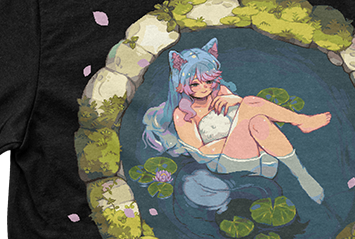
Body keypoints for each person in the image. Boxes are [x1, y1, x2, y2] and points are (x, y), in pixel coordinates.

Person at [141, 37, 330, 203]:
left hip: (256, 152)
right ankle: (300, 123)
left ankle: (302, 174)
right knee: (249, 105)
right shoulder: (181, 114)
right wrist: (233, 135)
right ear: (181, 85)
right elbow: (200, 153)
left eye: (208, 81)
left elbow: (244, 116)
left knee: (259, 121)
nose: (204, 88)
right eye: (195, 84)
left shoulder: (221, 92)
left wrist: (235, 101)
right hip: (224, 161)